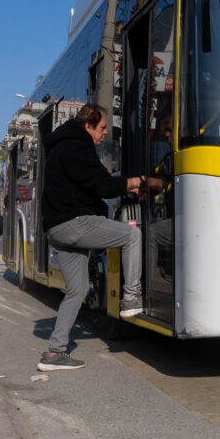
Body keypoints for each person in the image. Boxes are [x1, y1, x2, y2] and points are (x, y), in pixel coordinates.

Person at [37, 103, 148, 372]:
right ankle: (132, 298)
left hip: (57, 230)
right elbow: (102, 185)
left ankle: (54, 353)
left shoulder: (64, 146)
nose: (104, 133)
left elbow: (91, 182)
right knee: (132, 235)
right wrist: (135, 182)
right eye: (101, 128)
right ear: (87, 126)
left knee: (77, 289)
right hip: (73, 224)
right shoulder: (77, 147)